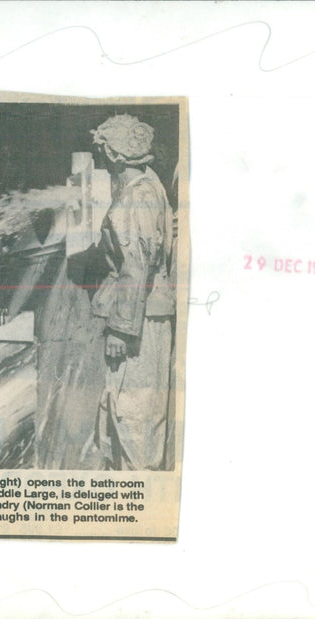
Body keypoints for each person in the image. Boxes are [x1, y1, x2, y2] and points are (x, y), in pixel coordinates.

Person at [89, 114, 175, 470]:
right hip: (145, 315)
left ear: (116, 155)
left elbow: (135, 267)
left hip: (137, 323)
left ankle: (137, 509)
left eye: (103, 148)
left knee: (132, 420)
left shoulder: (135, 196)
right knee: (132, 419)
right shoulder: (147, 184)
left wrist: (121, 331)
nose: (99, 154)